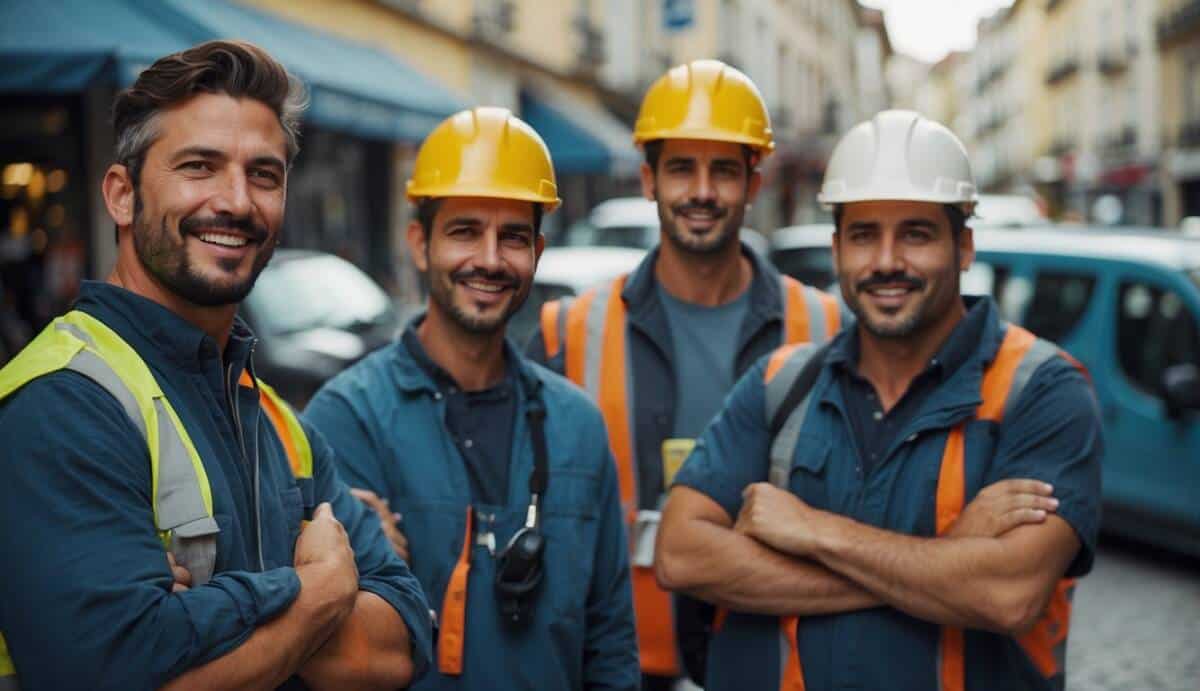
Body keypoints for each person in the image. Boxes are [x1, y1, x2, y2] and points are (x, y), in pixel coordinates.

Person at [0, 41, 432, 690]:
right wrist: (316, 594)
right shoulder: (62, 402)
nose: (235, 200)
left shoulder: (283, 424)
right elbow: (105, 671)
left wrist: (192, 621)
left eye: (264, 174)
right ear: (121, 195)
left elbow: (401, 640)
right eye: (199, 166)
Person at [656, 110, 1103, 691]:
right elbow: (682, 555)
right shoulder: (781, 383)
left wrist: (814, 531)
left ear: (963, 246)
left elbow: (1007, 594)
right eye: (865, 235)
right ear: (838, 248)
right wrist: (947, 562)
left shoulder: (1040, 389)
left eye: (915, 233)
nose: (887, 261)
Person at [526, 59, 843, 689]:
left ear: (754, 181)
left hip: (779, 658)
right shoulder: (571, 329)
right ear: (648, 179)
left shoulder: (827, 327)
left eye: (723, 169)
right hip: (623, 660)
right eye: (681, 168)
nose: (702, 191)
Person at [303, 107, 639, 691]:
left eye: (512, 237)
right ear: (420, 243)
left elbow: (609, 648)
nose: (489, 259)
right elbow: (319, 645)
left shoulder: (578, 427)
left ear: (537, 251)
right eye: (465, 231)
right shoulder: (346, 419)